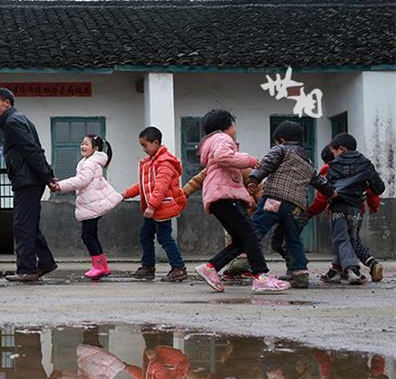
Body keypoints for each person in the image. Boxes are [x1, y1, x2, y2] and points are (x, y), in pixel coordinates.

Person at [193, 109, 290, 293]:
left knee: (241, 239)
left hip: (218, 197)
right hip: (224, 196)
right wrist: (250, 160)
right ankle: (260, 276)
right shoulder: (222, 139)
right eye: (233, 124)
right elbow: (224, 158)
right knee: (251, 234)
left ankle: (211, 267)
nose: (235, 128)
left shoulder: (213, 142)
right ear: (225, 126)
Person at [244, 120, 334, 289]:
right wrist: (331, 192)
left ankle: (242, 259)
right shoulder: (307, 160)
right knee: (293, 239)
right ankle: (300, 273)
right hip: (296, 207)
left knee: (255, 230)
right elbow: (320, 181)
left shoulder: (281, 149)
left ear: (281, 139)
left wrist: (254, 178)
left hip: (274, 199)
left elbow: (267, 164)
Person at [0, 87, 57, 282]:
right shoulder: (19, 119)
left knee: (22, 226)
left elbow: (31, 150)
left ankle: (27, 270)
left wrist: (47, 176)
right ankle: (45, 262)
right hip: (29, 179)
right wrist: (46, 176)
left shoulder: (12, 122)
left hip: (27, 181)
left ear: (7, 103)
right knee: (29, 225)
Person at [49, 134, 122, 279]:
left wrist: (59, 186)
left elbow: (82, 181)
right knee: (91, 235)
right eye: (82, 143)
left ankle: (98, 267)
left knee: (87, 235)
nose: (82, 146)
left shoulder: (90, 163)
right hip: (92, 203)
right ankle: (103, 266)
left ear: (95, 148)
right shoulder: (89, 161)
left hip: (92, 204)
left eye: (86, 144)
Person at [307, 145, 384, 283]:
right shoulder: (360, 167)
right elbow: (372, 191)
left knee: (342, 238)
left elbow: (322, 196)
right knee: (348, 239)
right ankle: (336, 271)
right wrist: (374, 206)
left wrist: (312, 211)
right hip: (357, 210)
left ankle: (356, 268)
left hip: (338, 208)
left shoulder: (330, 168)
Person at [122, 127, 188, 282]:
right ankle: (148, 267)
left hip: (162, 207)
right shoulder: (151, 162)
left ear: (156, 142)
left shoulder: (164, 162)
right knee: (145, 235)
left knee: (164, 237)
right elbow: (143, 185)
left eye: (145, 145)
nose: (143, 149)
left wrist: (151, 205)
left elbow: (161, 187)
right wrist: (125, 194)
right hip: (153, 208)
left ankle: (178, 268)